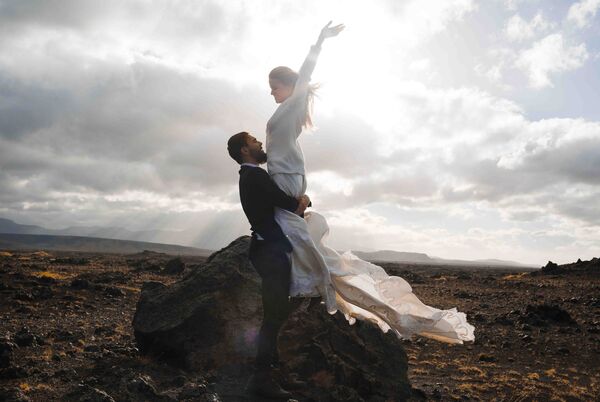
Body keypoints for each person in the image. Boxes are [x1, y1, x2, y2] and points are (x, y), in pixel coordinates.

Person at [265, 22, 475, 344]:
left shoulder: (293, 104)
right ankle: (313, 287)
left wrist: (319, 42)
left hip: (287, 180)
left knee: (298, 243)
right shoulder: (286, 110)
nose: (271, 92)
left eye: (274, 86)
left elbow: (305, 74)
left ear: (290, 86)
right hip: (285, 177)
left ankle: (311, 289)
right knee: (300, 243)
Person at [227, 131, 309, 398]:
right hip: (270, 253)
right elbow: (288, 204)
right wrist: (304, 201)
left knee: (278, 313)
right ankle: (260, 380)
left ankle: (273, 372)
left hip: (267, 251)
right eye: (253, 140)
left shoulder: (250, 176)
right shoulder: (256, 176)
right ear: (244, 150)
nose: (260, 143)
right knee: (273, 317)